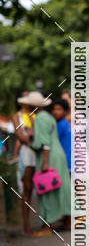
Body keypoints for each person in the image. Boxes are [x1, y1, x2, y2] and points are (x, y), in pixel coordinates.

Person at [24, 91, 71, 236]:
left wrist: (44, 162)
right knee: (61, 188)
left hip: (49, 157)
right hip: (56, 155)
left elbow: (44, 143)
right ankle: (66, 220)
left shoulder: (41, 119)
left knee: (47, 190)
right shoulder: (46, 117)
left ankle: (47, 226)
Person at [11, 92, 37, 234]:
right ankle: (26, 223)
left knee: (41, 187)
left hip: (38, 152)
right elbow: (21, 137)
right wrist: (31, 133)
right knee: (27, 188)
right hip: (26, 154)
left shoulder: (36, 114)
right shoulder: (16, 117)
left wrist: (30, 132)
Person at [51, 97, 71, 172]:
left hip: (63, 163)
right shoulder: (65, 123)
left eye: (59, 109)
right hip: (68, 161)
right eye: (54, 109)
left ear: (65, 111)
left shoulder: (60, 124)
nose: (55, 112)